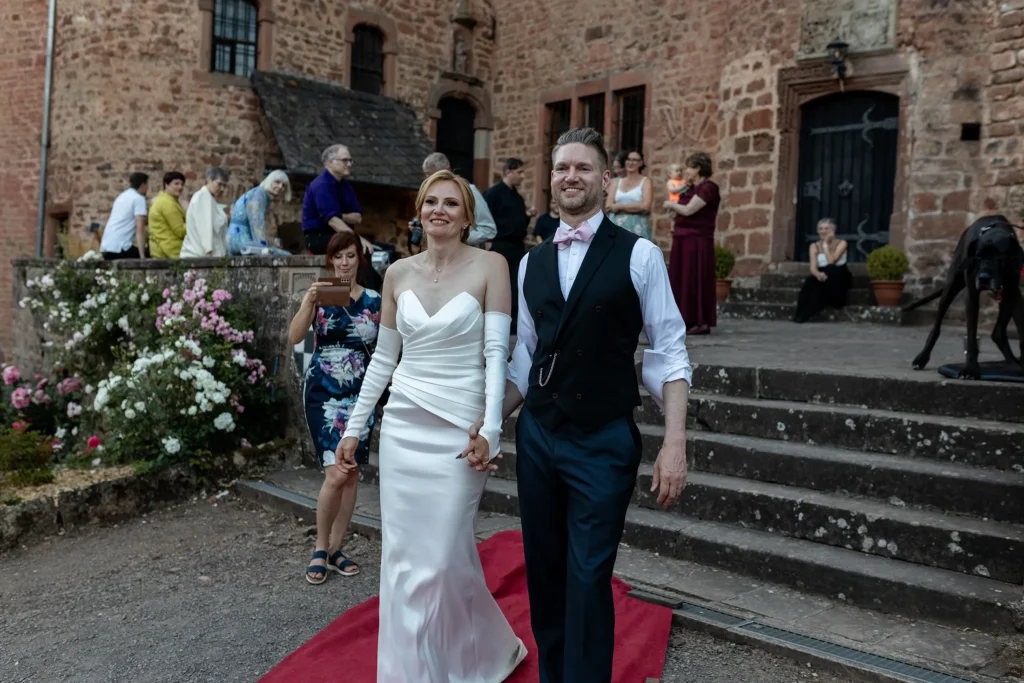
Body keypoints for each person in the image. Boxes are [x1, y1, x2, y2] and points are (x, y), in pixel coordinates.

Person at [472, 127, 691, 683]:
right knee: (545, 575)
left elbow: (668, 352)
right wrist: (491, 421)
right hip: (540, 436)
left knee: (589, 576)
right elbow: (525, 357)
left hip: (603, 438)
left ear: (605, 180)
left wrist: (674, 445)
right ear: (552, 180)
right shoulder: (529, 264)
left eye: (584, 168)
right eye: (563, 168)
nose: (572, 177)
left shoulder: (640, 255)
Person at [338, 170, 527, 681]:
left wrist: (492, 427)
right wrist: (355, 428)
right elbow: (383, 359)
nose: (438, 210)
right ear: (418, 212)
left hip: (460, 430)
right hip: (403, 425)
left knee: (444, 558)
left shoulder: (492, 265)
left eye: (450, 203)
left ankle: (486, 651)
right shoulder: (397, 273)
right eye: (430, 202)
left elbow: (496, 354)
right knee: (402, 557)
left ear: (467, 216)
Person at [288, 231, 382, 584]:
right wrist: (307, 303)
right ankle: (320, 545)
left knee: (353, 471)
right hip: (323, 395)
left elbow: (388, 348)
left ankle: (337, 548)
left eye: (350, 256)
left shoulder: (375, 300)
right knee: (336, 473)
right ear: (331, 260)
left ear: (360, 258)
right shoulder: (321, 295)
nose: (344, 263)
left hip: (362, 396)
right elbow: (295, 337)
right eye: (338, 257)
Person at [664, 151, 721, 335]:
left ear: (697, 168)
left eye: (689, 167)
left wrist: (671, 205)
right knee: (681, 279)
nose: (686, 171)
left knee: (693, 277)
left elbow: (689, 210)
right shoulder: (690, 187)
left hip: (697, 240)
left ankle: (700, 320)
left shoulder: (708, 188)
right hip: (682, 238)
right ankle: (683, 318)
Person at [483, 158, 535, 331]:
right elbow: (484, 219)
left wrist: (527, 216)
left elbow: (517, 222)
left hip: (516, 247)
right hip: (500, 245)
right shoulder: (493, 194)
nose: (522, 176)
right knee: (499, 286)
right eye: (519, 172)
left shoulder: (517, 197)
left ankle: (513, 323)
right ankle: (496, 321)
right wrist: (488, 241)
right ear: (509, 172)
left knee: (516, 285)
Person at [301, 144, 374, 256]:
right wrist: (357, 239)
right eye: (344, 160)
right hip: (319, 237)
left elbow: (358, 218)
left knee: (381, 250)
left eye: (350, 160)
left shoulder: (345, 186)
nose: (349, 164)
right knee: (358, 247)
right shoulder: (321, 185)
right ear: (330, 162)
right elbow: (333, 221)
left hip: (339, 234)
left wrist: (339, 215)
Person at [420, 152, 497, 247]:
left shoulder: (469, 191)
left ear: (447, 170)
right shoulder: (429, 193)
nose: (429, 180)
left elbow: (489, 229)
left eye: (452, 203)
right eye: (427, 176)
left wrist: (457, 238)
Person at [794, 218, 851, 323]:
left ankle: (833, 302)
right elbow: (813, 267)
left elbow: (832, 261)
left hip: (839, 274)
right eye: (820, 229)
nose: (823, 231)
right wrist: (817, 274)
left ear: (833, 230)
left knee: (830, 270)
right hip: (823, 275)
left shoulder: (842, 243)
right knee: (811, 281)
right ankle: (800, 314)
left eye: (826, 228)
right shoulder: (814, 246)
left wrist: (825, 245)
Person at [227, 170, 292, 255]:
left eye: (284, 185)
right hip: (239, 241)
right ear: (269, 181)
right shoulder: (259, 195)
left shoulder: (260, 195)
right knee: (286, 255)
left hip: (237, 239)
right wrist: (265, 246)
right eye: (277, 182)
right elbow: (257, 226)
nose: (280, 187)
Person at [180, 167, 230, 259]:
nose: (222, 189)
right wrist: (210, 254)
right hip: (200, 255)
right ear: (209, 180)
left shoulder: (210, 199)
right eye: (219, 184)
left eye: (224, 186)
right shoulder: (203, 197)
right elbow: (205, 229)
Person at [605, 149, 653, 239]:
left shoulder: (646, 181)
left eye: (635, 160)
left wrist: (618, 206)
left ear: (641, 163)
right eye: (628, 159)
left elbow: (645, 206)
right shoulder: (616, 182)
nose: (631, 162)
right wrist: (637, 205)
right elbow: (608, 206)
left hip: (638, 227)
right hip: (617, 226)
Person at [100, 172, 149, 260]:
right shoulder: (138, 198)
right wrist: (142, 256)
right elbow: (140, 227)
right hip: (120, 249)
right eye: (147, 185)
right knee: (152, 254)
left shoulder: (122, 196)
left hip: (106, 248)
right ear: (143, 184)